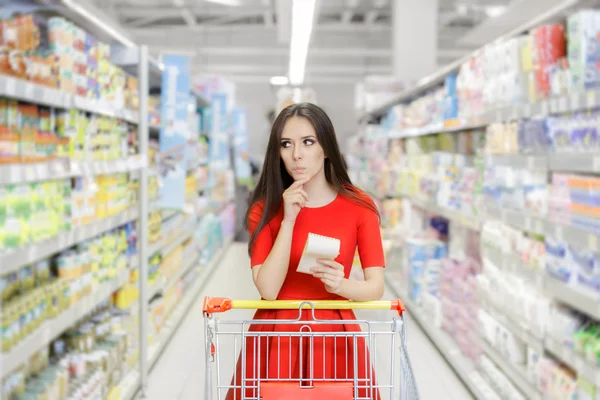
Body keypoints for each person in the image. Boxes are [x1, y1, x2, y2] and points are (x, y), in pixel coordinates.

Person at [226, 102, 385, 399]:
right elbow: (269, 289)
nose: (296, 154)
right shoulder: (264, 209)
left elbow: (376, 288)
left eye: (308, 142)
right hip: (277, 333)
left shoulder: (359, 207)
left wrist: (342, 284)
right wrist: (288, 220)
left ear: (326, 149)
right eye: (286, 144)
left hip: (334, 334)